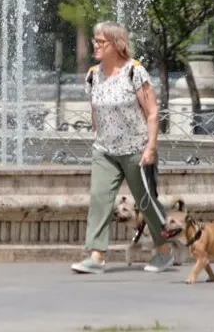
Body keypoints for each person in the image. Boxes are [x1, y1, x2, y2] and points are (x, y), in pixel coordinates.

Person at [70, 21, 174, 275]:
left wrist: (151, 147)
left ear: (117, 44)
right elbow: (96, 109)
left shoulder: (134, 71)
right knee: (99, 199)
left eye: (101, 41)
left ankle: (164, 250)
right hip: (104, 149)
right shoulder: (93, 75)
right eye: (95, 40)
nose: (96, 44)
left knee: (146, 201)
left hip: (136, 149)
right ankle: (97, 255)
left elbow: (152, 112)